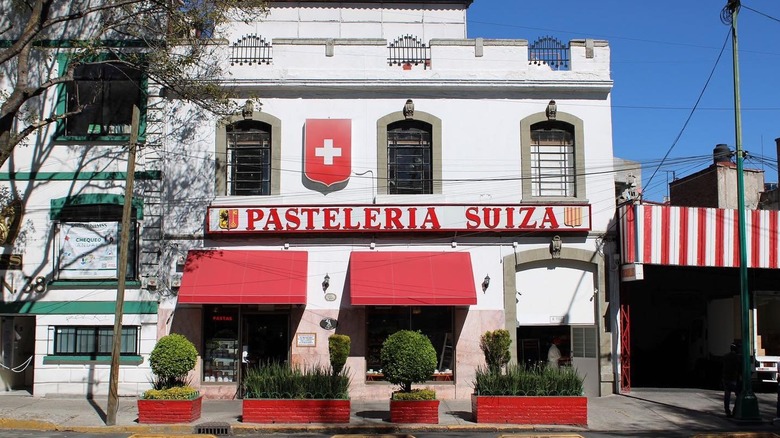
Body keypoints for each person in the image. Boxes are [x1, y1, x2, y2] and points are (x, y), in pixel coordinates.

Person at [722, 342, 741, 417]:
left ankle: (727, 411)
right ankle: (735, 411)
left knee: (727, 395)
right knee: (738, 394)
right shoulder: (737, 358)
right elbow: (739, 368)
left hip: (726, 378)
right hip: (733, 379)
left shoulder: (725, 357)